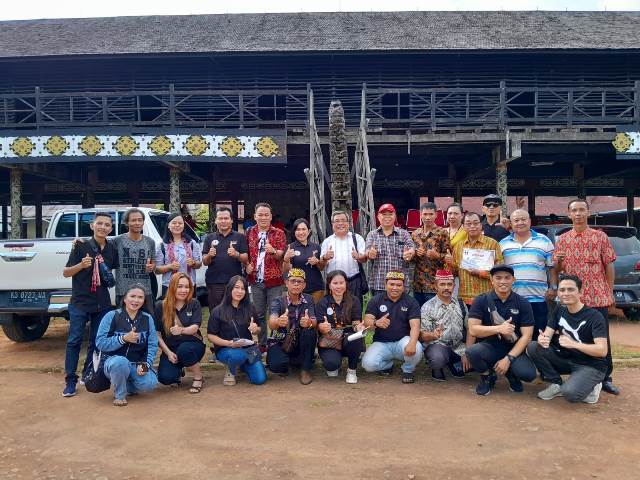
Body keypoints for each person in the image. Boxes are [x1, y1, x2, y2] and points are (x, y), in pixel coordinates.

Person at [553, 198, 619, 395]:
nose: (579, 214)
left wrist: (609, 290)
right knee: (573, 335)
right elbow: (557, 269)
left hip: (597, 295)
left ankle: (606, 377)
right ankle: (580, 371)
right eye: (575, 210)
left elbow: (609, 264)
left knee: (601, 337)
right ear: (569, 214)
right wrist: (559, 264)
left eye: (582, 210)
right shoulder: (563, 239)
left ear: (588, 213)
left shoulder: (600, 237)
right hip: (572, 300)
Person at [62, 211, 119, 397]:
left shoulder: (111, 249)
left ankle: (88, 373)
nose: (103, 227)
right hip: (80, 301)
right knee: (74, 340)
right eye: (100, 223)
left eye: (107, 225)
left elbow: (116, 269)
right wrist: (81, 265)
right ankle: (70, 379)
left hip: (101, 303)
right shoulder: (80, 246)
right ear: (92, 226)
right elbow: (66, 273)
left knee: (96, 341)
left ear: (111, 228)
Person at [527, 275, 608, 404]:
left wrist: (574, 344)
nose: (565, 293)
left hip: (591, 364)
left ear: (580, 292)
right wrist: (543, 339)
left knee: (571, 394)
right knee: (534, 346)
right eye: (562, 290)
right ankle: (556, 383)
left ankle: (594, 385)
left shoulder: (594, 316)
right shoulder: (560, 309)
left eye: (571, 290)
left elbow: (602, 350)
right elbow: (547, 333)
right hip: (568, 359)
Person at [466, 265, 537, 396]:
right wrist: (499, 328)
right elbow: (473, 330)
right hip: (490, 347)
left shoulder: (523, 303)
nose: (503, 281)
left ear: (513, 280)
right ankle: (487, 376)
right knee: (472, 352)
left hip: (514, 349)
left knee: (528, 375)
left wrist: (508, 359)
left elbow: (527, 336)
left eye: (507, 278)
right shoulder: (481, 300)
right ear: (491, 280)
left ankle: (511, 373)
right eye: (498, 278)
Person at [95, 284, 158, 406]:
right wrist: (123, 338)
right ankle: (120, 395)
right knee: (120, 363)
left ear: (144, 301)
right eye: (132, 296)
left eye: (140, 297)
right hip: (112, 362)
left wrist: (146, 364)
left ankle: (125, 383)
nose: (136, 300)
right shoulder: (111, 316)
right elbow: (100, 343)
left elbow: (152, 345)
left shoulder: (147, 318)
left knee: (150, 383)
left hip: (137, 363)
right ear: (124, 298)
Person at [499, 209, 557, 340]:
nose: (520, 223)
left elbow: (551, 267)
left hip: (538, 299)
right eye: (516, 220)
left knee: (538, 338)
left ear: (530, 221)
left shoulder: (544, 241)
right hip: (512, 299)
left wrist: (553, 288)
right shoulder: (503, 244)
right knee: (514, 337)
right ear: (511, 223)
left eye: (523, 219)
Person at [361, 271, 423, 383]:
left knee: (417, 348)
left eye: (399, 285)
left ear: (404, 287)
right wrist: (376, 323)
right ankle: (388, 365)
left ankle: (408, 370)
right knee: (368, 365)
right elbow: (367, 321)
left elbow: (415, 325)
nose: (395, 288)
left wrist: (412, 343)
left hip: (403, 341)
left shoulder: (411, 302)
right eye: (391, 284)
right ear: (385, 284)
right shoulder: (376, 300)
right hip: (381, 342)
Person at [207, 275, 267, 386]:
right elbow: (211, 336)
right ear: (230, 289)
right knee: (237, 355)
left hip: (248, 349)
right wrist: (229, 343)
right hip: (227, 349)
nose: (240, 291)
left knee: (260, 379)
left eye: (243, 288)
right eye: (236, 287)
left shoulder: (250, 308)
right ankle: (231, 369)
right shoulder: (218, 311)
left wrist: (255, 329)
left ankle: (242, 366)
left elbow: (258, 329)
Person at [154, 273, 206, 393]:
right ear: (172, 287)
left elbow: (195, 327)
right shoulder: (160, 306)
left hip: (193, 345)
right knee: (165, 378)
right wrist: (168, 353)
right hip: (171, 349)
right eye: (180, 286)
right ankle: (178, 370)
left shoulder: (194, 303)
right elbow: (157, 334)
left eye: (187, 287)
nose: (184, 290)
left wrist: (182, 330)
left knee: (184, 350)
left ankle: (198, 377)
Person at [246, 202, 287, 349]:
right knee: (258, 314)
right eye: (260, 215)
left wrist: (273, 251)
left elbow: (281, 255)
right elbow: (246, 255)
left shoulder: (279, 233)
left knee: (275, 312)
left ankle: (276, 342)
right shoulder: (249, 232)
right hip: (255, 281)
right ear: (255, 216)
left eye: (266, 215)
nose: (263, 217)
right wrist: (246, 266)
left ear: (271, 216)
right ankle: (262, 344)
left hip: (274, 281)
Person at [266, 268, 318, 385]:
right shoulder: (278, 301)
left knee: (309, 331)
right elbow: (271, 322)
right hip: (281, 341)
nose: (296, 284)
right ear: (286, 283)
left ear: (304, 285)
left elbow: (314, 320)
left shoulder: (309, 299)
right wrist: (278, 322)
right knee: (276, 366)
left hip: (300, 340)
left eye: (299, 281)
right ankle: (294, 361)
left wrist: (309, 322)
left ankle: (305, 369)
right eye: (293, 281)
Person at [315, 270, 366, 384]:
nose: (339, 286)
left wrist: (359, 327)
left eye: (341, 283)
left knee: (355, 337)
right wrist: (323, 327)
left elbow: (356, 322)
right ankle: (335, 362)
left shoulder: (354, 300)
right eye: (335, 283)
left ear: (346, 284)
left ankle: (352, 371)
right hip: (330, 339)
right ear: (329, 285)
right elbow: (319, 326)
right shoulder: (322, 302)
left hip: (348, 337)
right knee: (332, 367)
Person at [420, 270, 470, 381]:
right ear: (436, 286)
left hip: (458, 346)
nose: (446, 288)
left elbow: (471, 329)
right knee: (438, 359)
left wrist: (467, 352)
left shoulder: (461, 304)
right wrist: (433, 335)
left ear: (454, 286)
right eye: (442, 284)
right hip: (438, 346)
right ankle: (438, 367)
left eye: (449, 284)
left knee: (475, 359)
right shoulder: (428, 307)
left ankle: (454, 364)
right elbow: (422, 335)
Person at [445, 212, 503, 306]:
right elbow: (454, 273)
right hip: (464, 298)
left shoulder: (492, 244)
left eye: (476, 223)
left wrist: (480, 272)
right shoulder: (459, 247)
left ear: (481, 225)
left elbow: (499, 272)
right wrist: (450, 263)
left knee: (487, 321)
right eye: (468, 224)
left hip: (486, 297)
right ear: (463, 227)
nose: (472, 226)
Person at [202, 206, 248, 311]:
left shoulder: (240, 237)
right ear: (216, 221)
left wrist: (236, 254)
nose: (223, 221)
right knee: (215, 312)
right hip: (214, 282)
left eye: (226, 218)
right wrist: (209, 255)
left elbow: (245, 258)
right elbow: (204, 261)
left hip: (234, 283)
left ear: (231, 220)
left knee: (235, 311)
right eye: (220, 218)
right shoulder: (210, 238)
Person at [365, 204, 415, 295]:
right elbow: (367, 251)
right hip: (379, 285)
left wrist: (410, 253)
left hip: (400, 284)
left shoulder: (404, 234)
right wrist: (370, 253)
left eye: (390, 214)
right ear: (378, 217)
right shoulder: (372, 235)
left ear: (395, 216)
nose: (387, 217)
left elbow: (412, 248)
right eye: (384, 214)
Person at [113, 208, 156, 313]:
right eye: (133, 220)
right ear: (127, 223)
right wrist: (81, 241)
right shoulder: (117, 241)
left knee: (147, 322)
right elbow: (101, 247)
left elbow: (153, 262)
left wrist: (151, 267)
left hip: (145, 291)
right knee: (122, 325)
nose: (137, 223)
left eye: (140, 220)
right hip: (123, 291)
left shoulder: (150, 242)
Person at [319, 210, 368, 304]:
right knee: (335, 311)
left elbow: (365, 259)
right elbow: (321, 267)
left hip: (353, 281)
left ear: (348, 223)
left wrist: (358, 257)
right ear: (332, 224)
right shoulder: (327, 241)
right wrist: (325, 258)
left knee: (355, 310)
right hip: (334, 283)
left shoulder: (357, 238)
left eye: (343, 220)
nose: (340, 223)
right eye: (337, 221)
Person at [410, 202, 451, 306]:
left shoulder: (442, 233)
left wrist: (436, 255)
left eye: (430, 214)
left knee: (434, 316)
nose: (427, 217)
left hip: (434, 284)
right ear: (420, 215)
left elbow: (449, 258)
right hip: (418, 284)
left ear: (436, 215)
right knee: (418, 315)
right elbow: (410, 260)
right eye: (425, 214)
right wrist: (415, 254)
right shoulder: (415, 234)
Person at [155, 213, 202, 297]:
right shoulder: (162, 245)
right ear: (168, 226)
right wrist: (169, 267)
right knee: (170, 310)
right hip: (169, 286)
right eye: (174, 223)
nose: (177, 225)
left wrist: (193, 263)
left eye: (180, 223)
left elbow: (199, 264)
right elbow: (157, 270)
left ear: (183, 226)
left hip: (188, 286)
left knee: (188, 309)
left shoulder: (191, 243)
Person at [283, 218, 325, 303]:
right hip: (298, 289)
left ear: (309, 231)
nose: (301, 232)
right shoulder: (290, 247)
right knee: (301, 315)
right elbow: (286, 270)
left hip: (316, 288)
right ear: (294, 232)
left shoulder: (316, 247)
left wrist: (317, 262)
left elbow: (321, 268)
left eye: (303, 229)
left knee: (317, 314)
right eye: (298, 230)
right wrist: (286, 259)